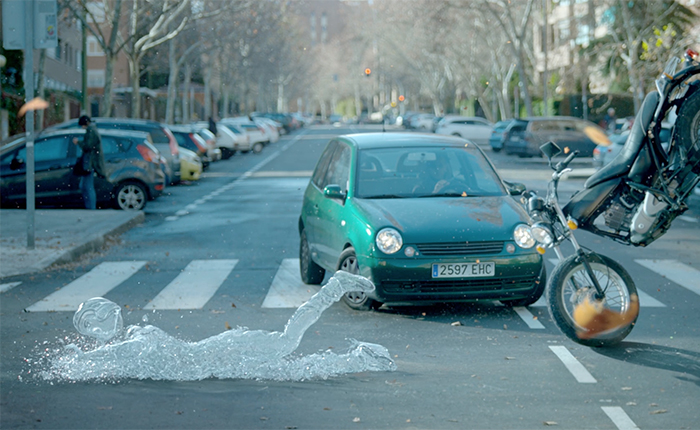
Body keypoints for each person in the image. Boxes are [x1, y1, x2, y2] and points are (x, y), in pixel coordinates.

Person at [72, 115, 107, 209]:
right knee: (85, 186)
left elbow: (88, 146)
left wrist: (78, 142)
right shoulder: (92, 130)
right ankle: (90, 207)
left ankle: (91, 207)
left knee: (87, 186)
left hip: (90, 163)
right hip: (89, 162)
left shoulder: (91, 131)